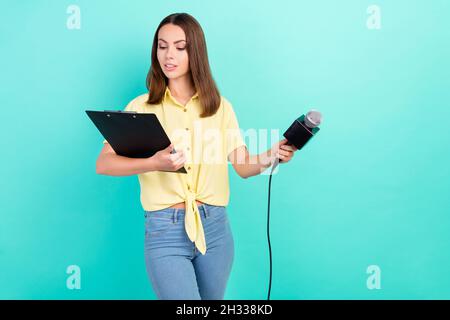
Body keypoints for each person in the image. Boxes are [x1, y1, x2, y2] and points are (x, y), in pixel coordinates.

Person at [96, 12, 297, 300]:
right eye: (162, 46)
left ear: (196, 52)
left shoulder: (220, 107)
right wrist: (155, 162)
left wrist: (271, 154)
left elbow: (242, 166)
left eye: (180, 47)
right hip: (165, 229)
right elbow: (104, 163)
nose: (169, 55)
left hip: (215, 229)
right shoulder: (141, 107)